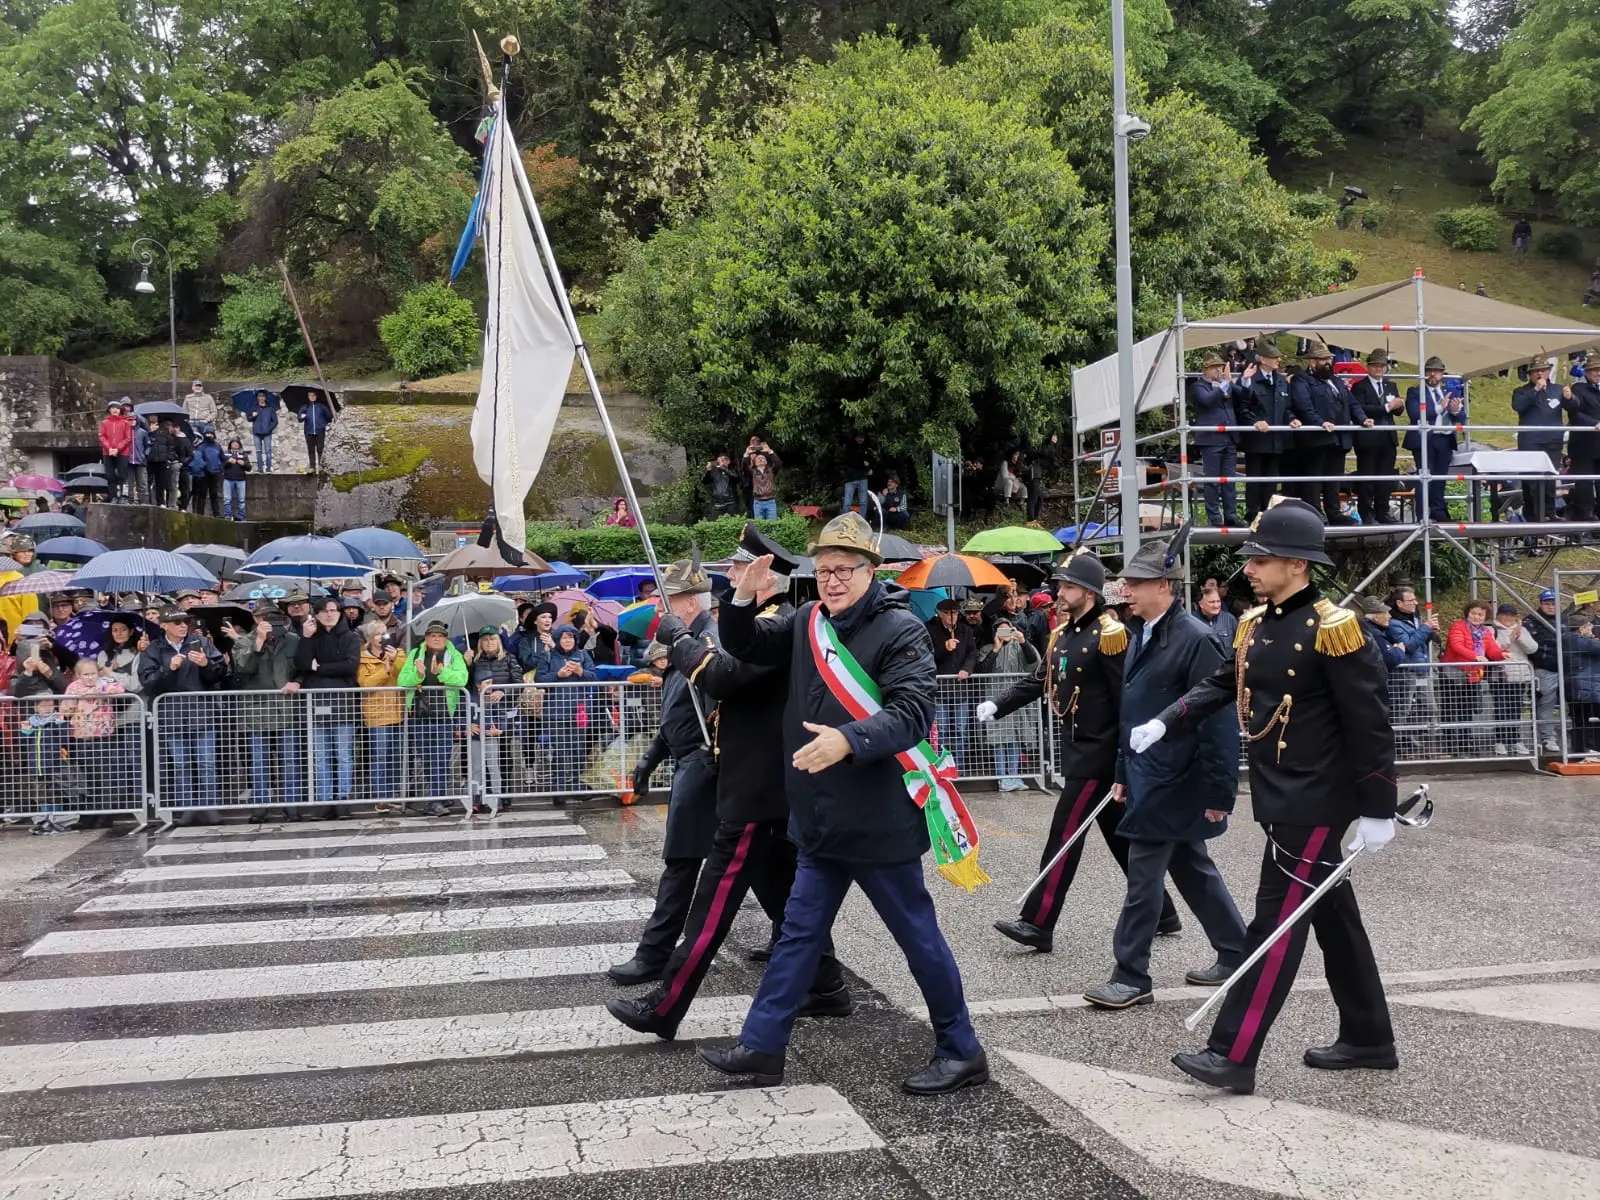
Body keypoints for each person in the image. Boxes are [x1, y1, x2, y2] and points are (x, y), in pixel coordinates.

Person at [701, 512, 988, 1096]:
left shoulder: (901, 630)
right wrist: (740, 598)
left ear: (870, 571)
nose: (831, 580)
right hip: (818, 819)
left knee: (918, 940)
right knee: (798, 936)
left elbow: (911, 714)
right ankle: (762, 1046)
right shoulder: (808, 619)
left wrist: (847, 740)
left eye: (844, 570)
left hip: (877, 820)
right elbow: (748, 644)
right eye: (824, 570)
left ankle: (962, 1050)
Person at [1132, 497, 1400, 1096]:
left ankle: (1234, 1051)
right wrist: (1167, 719)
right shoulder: (1256, 624)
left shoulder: (1334, 629)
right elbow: (1223, 684)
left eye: (1263, 558)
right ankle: (1369, 1036)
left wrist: (1380, 807)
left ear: (1298, 565)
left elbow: (1370, 723)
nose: (1248, 568)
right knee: (1334, 919)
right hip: (1282, 795)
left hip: (1317, 803)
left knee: (1274, 927)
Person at [607, 524, 852, 1039]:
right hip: (758, 783)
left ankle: (665, 1004)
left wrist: (679, 639)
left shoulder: (778, 625)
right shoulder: (765, 622)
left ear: (768, 576)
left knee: (711, 908)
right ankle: (826, 984)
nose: (731, 573)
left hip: (755, 787)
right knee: (786, 895)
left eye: (741, 567)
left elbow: (723, 676)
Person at [979, 554, 1180, 952]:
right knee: (1121, 839)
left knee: (1064, 835)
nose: (1059, 593)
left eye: (1067, 587)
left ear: (1088, 593)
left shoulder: (1110, 634)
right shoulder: (1063, 634)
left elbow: (1129, 699)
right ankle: (1163, 913)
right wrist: (998, 703)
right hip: (1079, 749)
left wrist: (1128, 756)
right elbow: (1041, 680)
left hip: (1100, 755)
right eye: (1060, 586)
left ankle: (1038, 921)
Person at [1081, 531, 1246, 1010]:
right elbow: (1131, 715)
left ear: (1165, 586)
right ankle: (1236, 950)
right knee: (1192, 867)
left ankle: (1131, 975)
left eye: (1137, 581)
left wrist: (1220, 792)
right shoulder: (1143, 632)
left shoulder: (1195, 638)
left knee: (1143, 877)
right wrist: (1121, 770)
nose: (1126, 589)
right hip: (1148, 774)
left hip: (1176, 779)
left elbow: (1217, 718)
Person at [611, 556, 719, 985]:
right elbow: (674, 715)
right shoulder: (684, 644)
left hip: (705, 763)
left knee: (681, 863)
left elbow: (713, 700)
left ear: (689, 603)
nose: (658, 610)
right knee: (764, 868)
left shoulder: (709, 642)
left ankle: (653, 955)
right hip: (686, 759)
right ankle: (819, 968)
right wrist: (647, 760)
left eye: (665, 601)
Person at [137, 607, 227, 825]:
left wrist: (206, 665)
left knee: (206, 762)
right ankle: (185, 806)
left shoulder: (202, 642)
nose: (183, 625)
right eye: (177, 622)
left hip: (201, 713)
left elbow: (221, 672)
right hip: (172, 715)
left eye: (185, 621)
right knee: (181, 764)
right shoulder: (154, 649)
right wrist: (168, 668)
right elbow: (147, 682)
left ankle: (210, 807)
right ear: (164, 625)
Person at [230, 609, 303, 822]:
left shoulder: (292, 640)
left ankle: (292, 806)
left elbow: (303, 667)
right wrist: (259, 641)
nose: (272, 623)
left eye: (276, 619)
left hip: (286, 709)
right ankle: (260, 807)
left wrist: (297, 682)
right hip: (256, 710)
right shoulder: (244, 641)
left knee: (289, 761)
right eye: (266, 619)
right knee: (258, 762)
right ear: (256, 619)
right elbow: (242, 668)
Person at [294, 595, 361, 818]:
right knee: (320, 756)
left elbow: (350, 666)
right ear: (318, 614)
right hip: (318, 701)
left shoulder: (350, 637)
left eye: (332, 610)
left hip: (343, 703)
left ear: (339, 612)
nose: (329, 615)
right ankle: (324, 799)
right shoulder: (311, 636)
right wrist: (305, 638)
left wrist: (320, 667)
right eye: (324, 611)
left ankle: (342, 799)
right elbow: (302, 664)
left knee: (343, 755)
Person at [399, 619, 470, 815]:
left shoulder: (454, 655)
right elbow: (403, 681)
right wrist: (419, 675)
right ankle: (437, 796)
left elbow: (462, 679)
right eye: (432, 635)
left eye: (440, 635)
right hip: (420, 715)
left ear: (446, 638)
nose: (436, 638)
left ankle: (435, 800)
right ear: (426, 637)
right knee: (427, 759)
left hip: (444, 716)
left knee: (441, 758)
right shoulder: (415, 654)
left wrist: (442, 672)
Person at [1288, 341, 1353, 523]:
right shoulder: (1302, 380)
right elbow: (1304, 406)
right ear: (1312, 362)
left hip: (1338, 437)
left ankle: (1334, 512)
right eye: (1324, 359)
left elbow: (1351, 402)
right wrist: (1319, 423)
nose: (1328, 363)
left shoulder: (1336, 380)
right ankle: (1314, 513)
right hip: (1315, 438)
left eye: (1329, 359)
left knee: (1334, 478)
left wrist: (1362, 418)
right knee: (1314, 478)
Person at [1234, 335, 1293, 522]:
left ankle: (1268, 515)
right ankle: (1252, 514)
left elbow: (1287, 407)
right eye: (1274, 357)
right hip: (1256, 440)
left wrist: (1292, 419)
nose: (1278, 360)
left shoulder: (1281, 381)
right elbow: (1242, 406)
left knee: (1271, 480)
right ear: (1263, 359)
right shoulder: (1249, 378)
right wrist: (1255, 422)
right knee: (1255, 479)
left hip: (1276, 439)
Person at [534, 622, 597, 797]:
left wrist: (580, 671)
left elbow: (594, 677)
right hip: (555, 713)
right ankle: (559, 790)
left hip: (579, 712)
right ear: (557, 639)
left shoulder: (583, 655)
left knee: (578, 751)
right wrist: (558, 675)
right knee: (560, 752)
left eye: (571, 637)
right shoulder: (547, 656)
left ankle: (579, 787)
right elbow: (539, 680)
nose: (568, 640)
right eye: (564, 637)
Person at [976, 617, 1039, 790]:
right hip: (994, 699)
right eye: (1000, 630)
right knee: (999, 739)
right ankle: (1002, 778)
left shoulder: (1019, 648)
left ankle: (1015, 776)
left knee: (1015, 738)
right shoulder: (987, 649)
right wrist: (996, 648)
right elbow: (982, 670)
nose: (1005, 634)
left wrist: (1023, 641)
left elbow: (1033, 661)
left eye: (1007, 629)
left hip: (1014, 697)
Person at [1404, 356, 1465, 522]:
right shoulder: (1415, 391)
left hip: (1445, 440)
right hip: (1425, 438)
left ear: (1442, 374)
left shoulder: (1448, 392)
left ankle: (1439, 513)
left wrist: (1455, 411)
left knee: (1440, 479)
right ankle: (1422, 515)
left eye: (1436, 371)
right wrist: (1440, 408)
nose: (1432, 374)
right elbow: (1415, 414)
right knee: (1425, 477)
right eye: (1429, 371)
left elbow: (1462, 417)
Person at [1346, 348, 1403, 524]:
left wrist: (1397, 405)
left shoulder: (1390, 385)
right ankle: (1366, 512)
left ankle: (1383, 511)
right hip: (1368, 439)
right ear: (1368, 367)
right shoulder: (1359, 386)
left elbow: (1399, 410)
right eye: (1375, 366)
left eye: (1382, 366)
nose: (1379, 369)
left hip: (1387, 437)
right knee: (1367, 477)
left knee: (1385, 478)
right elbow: (1360, 409)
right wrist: (1387, 407)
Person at [1439, 598, 1502, 755]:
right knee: (1451, 709)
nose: (1476, 617)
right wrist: (1475, 656)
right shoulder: (1457, 626)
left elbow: (1492, 649)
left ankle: (1465, 741)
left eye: (1480, 614)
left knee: (1467, 709)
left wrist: (1503, 654)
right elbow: (1457, 646)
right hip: (1453, 672)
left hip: (1473, 674)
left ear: (1485, 616)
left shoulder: (1486, 632)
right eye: (1473, 613)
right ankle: (1452, 744)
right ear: (1467, 613)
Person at [1512, 358, 1567, 523]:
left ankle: (1550, 512)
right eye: (1536, 371)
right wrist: (1535, 389)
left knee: (1549, 478)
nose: (1539, 373)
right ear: (1530, 375)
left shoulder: (1557, 389)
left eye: (1543, 370)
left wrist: (1571, 398)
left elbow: (1574, 407)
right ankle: (1533, 514)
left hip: (1552, 440)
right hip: (1531, 441)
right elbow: (1518, 406)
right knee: (1531, 480)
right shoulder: (1521, 391)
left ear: (1548, 372)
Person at [470, 624, 519, 809]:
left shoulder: (508, 659)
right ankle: (481, 795)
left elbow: (518, 682)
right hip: (481, 714)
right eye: (486, 640)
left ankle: (502, 794)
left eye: (492, 639)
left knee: (503, 757)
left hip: (503, 714)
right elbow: (468, 685)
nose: (489, 642)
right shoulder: (475, 661)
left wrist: (504, 692)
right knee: (479, 759)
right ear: (481, 643)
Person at [358, 621, 406, 810]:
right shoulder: (363, 658)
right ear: (370, 637)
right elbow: (365, 684)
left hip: (398, 711)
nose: (381, 637)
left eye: (384, 633)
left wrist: (395, 661)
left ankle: (391, 793)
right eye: (377, 634)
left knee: (396, 756)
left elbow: (407, 676)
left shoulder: (398, 653)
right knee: (380, 755)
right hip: (377, 713)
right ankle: (380, 796)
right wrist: (384, 670)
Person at [1189, 353, 1239, 527]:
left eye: (1221, 367)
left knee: (1229, 480)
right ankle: (1215, 517)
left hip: (1229, 437)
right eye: (1216, 367)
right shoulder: (1198, 386)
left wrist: (1240, 381)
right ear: (1206, 369)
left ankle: (1231, 515)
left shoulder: (1224, 386)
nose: (1219, 370)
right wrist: (1224, 384)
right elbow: (1207, 401)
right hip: (1211, 439)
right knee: (1212, 480)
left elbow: (1242, 397)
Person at [926, 597, 976, 770]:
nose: (952, 616)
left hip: (960, 689)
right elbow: (927, 656)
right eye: (948, 613)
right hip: (940, 689)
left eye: (955, 612)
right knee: (943, 730)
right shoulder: (930, 630)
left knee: (961, 730)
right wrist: (945, 648)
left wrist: (967, 669)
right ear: (940, 614)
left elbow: (972, 652)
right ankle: (942, 767)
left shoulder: (965, 630)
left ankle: (959, 766)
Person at [1492, 603, 1537, 755]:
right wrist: (1510, 638)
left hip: (1519, 675)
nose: (1508, 618)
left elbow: (1532, 648)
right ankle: (1500, 740)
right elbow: (1495, 649)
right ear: (1498, 615)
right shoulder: (1492, 629)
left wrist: (1520, 636)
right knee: (1501, 709)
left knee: (1516, 708)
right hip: (1501, 676)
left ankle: (1515, 739)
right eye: (1505, 615)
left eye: (1512, 615)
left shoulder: (1522, 630)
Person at [1562, 358, 1600, 522]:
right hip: (1584, 443)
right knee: (1584, 482)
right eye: (1594, 370)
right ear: (1586, 373)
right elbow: (1575, 414)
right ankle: (1585, 516)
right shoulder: (1579, 388)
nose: (1598, 374)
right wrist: (1594, 423)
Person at [1562, 614, 1600, 756]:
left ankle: (1581, 750)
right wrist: (1591, 637)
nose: (1592, 628)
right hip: (1585, 687)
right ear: (1581, 627)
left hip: (1580, 686)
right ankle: (1588, 750)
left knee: (1580, 720)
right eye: (1589, 625)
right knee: (1585, 720)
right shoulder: (1579, 641)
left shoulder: (1568, 639)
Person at [1530, 589, 1563, 753]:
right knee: (1546, 705)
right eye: (1547, 603)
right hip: (1544, 669)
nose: (1551, 607)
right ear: (1541, 604)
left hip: (1566, 669)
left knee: (1576, 705)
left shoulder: (1565, 619)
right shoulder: (1531, 621)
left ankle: (1581, 737)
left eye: (1553, 603)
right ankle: (1547, 737)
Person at [97, 400, 132, 503]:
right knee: (110, 476)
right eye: (113, 408)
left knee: (123, 476)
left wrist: (118, 449)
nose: (115, 410)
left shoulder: (125, 422)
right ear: (109, 410)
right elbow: (102, 436)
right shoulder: (104, 423)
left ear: (120, 410)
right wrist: (109, 448)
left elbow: (128, 438)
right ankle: (113, 497)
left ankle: (123, 496)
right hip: (108, 452)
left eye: (117, 408)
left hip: (122, 452)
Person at [146, 417, 180, 509]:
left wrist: (168, 458)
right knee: (149, 482)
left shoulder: (166, 434)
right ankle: (149, 501)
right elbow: (145, 443)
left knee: (160, 483)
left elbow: (171, 447)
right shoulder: (148, 433)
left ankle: (160, 502)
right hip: (151, 460)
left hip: (162, 461)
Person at [299, 388, 334, 472]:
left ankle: (321, 466)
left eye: (313, 395)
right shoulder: (305, 406)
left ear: (316, 396)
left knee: (320, 449)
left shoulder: (322, 406)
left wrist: (323, 423)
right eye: (310, 395)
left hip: (320, 431)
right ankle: (312, 467)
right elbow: (299, 418)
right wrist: (302, 416)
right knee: (311, 450)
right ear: (308, 396)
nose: (312, 397)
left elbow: (329, 417)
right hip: (308, 431)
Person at [841, 433, 874, 514]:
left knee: (863, 502)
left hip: (862, 478)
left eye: (862, 438)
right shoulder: (850, 447)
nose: (860, 439)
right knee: (847, 502)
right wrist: (864, 465)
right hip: (850, 478)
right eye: (859, 437)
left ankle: (862, 521)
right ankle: (846, 521)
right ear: (855, 438)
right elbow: (853, 461)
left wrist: (869, 468)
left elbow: (870, 461)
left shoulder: (867, 448)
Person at [747, 449, 781, 520]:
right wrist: (747, 454)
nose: (760, 459)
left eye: (762, 458)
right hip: (758, 502)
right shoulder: (752, 472)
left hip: (770, 501)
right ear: (755, 463)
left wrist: (770, 451)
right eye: (758, 459)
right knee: (760, 525)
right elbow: (744, 466)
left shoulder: (771, 470)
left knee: (772, 524)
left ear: (766, 461)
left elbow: (778, 463)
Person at [222, 439, 249, 521]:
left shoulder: (243, 454)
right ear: (230, 444)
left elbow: (249, 468)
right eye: (233, 443)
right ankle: (228, 515)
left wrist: (244, 464)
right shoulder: (226, 453)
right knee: (227, 499)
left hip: (241, 479)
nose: (235, 445)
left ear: (239, 445)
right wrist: (228, 461)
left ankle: (241, 516)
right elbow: (221, 465)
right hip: (228, 479)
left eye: (237, 443)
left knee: (241, 499)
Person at [251, 391, 278, 472]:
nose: (261, 398)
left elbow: (275, 421)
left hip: (267, 433)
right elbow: (249, 418)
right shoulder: (254, 407)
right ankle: (260, 469)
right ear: (257, 398)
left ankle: (268, 469)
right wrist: (252, 416)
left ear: (265, 398)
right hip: (256, 433)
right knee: (258, 451)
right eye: (259, 396)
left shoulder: (270, 408)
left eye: (262, 396)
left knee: (268, 451)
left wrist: (269, 429)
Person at [129, 404, 150, 504]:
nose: (131, 421)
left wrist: (145, 455)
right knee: (130, 483)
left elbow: (148, 445)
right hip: (129, 461)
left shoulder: (142, 432)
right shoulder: (125, 432)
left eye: (133, 419)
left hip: (140, 461)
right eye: (130, 420)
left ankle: (143, 501)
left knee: (142, 483)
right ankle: (130, 500)